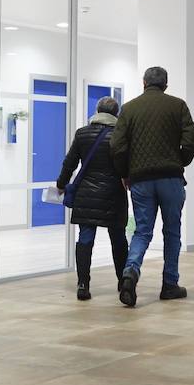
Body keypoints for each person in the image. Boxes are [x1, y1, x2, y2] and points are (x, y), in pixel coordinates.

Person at [111, 66, 194, 307]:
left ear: (144, 83)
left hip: (140, 179)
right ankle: (170, 284)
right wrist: (179, 161)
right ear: (166, 84)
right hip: (171, 178)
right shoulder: (177, 105)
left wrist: (124, 173)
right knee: (172, 231)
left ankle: (130, 272)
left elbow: (117, 145)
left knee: (142, 231)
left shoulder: (129, 108)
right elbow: (191, 139)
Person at [56, 97, 128, 301]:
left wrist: (61, 184)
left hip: (86, 194)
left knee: (85, 239)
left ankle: (83, 284)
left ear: (97, 111)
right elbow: (125, 164)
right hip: (113, 193)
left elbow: (69, 163)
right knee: (118, 239)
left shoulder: (82, 133)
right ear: (116, 113)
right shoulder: (120, 135)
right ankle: (123, 282)